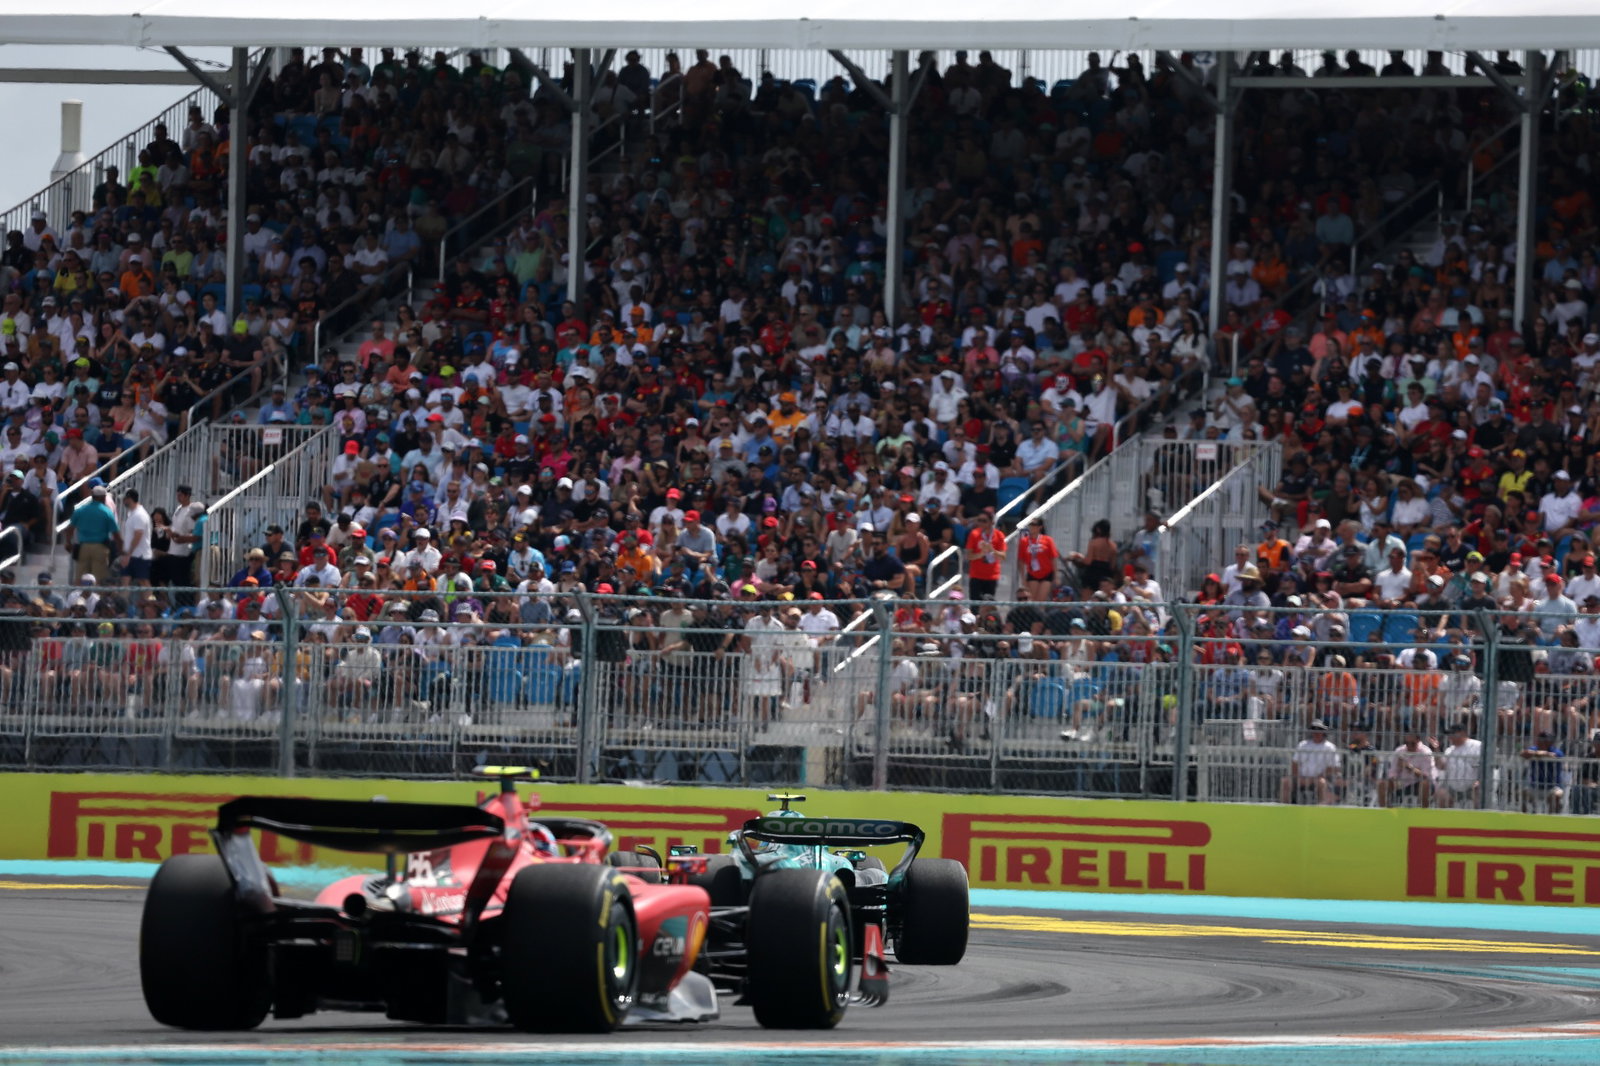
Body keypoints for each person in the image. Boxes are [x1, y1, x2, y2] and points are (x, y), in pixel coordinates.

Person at [1280, 719, 1340, 804]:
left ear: (1324, 732)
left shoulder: (1330, 747)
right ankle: (1284, 808)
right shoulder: (1303, 745)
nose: (1316, 732)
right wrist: (1298, 777)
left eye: (1319, 729)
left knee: (1321, 783)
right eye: (1314, 729)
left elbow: (1334, 767)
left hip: (1319, 778)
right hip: (1301, 778)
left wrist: (1316, 778)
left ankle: (1320, 810)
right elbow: (1295, 763)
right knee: (1286, 781)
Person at [1379, 730, 1435, 808]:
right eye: (1406, 743)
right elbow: (1392, 772)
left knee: (1425, 784)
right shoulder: (1399, 751)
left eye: (1412, 743)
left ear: (1418, 741)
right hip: (1402, 783)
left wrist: (1409, 767)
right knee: (1382, 784)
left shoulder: (1425, 753)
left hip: (1419, 783)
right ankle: (1388, 813)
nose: (1409, 746)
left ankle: (1423, 813)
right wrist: (1394, 778)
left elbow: (1426, 776)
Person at [1433, 721, 1483, 808]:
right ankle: (1445, 819)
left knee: (1479, 791)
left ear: (1462, 733)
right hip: (1453, 788)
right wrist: (1436, 750)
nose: (1449, 737)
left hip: (1473, 786)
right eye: (1449, 734)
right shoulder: (1450, 750)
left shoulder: (1477, 746)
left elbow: (1485, 766)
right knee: (1441, 794)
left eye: (1452, 734)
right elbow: (1441, 767)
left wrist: (1480, 781)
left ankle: (1478, 818)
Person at [1520, 730, 1565, 813]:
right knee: (1524, 793)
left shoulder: (1556, 751)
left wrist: (1539, 754)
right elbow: (1523, 753)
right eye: (1541, 740)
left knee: (1557, 795)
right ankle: (1528, 818)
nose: (1543, 742)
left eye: (1546, 740)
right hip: (1535, 786)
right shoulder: (1534, 748)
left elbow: (1554, 756)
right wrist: (1540, 753)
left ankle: (1551, 820)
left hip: (1552, 787)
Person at [964, 510, 1006, 600]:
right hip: (976, 576)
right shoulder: (974, 534)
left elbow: (1003, 557)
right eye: (979, 520)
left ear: (992, 522)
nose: (981, 523)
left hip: (992, 576)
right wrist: (981, 554)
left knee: (988, 606)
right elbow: (968, 556)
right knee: (975, 606)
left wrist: (992, 550)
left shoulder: (999, 535)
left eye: (984, 521)